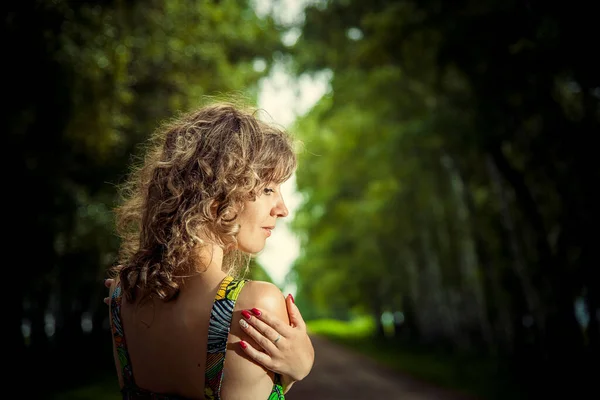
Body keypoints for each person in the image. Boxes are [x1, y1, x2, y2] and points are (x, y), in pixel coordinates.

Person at [105, 101, 314, 399]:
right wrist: (296, 371)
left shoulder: (120, 298)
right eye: (268, 190)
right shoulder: (254, 305)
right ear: (218, 192)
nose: (283, 209)